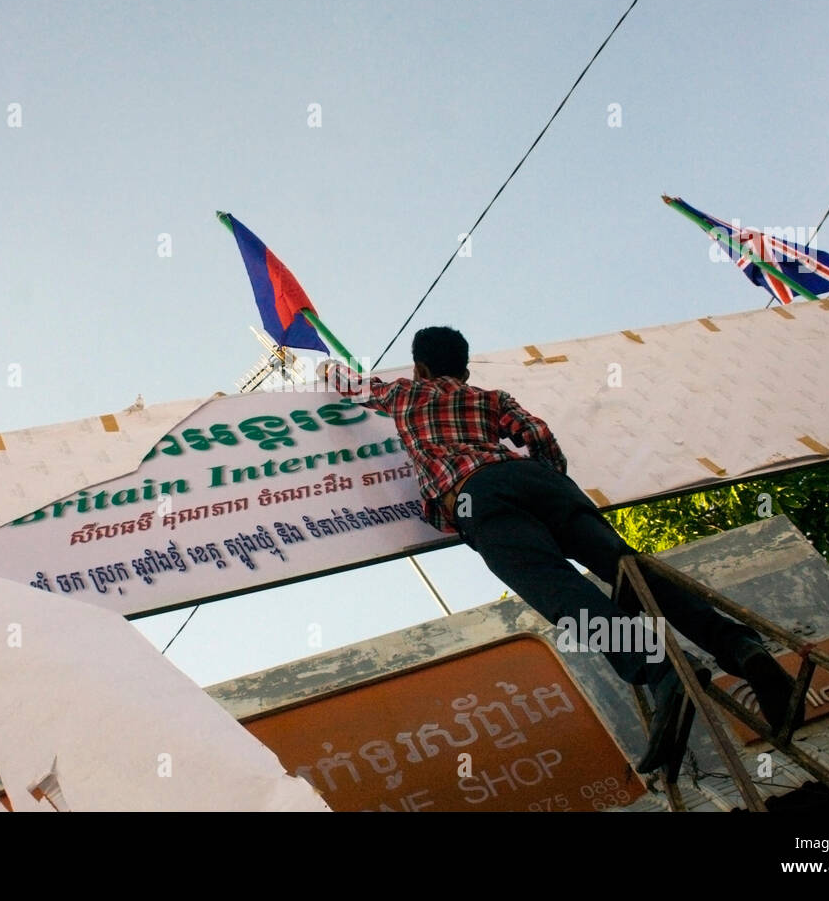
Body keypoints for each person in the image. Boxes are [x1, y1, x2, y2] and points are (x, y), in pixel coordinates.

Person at [319, 326, 797, 773]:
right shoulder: (490, 397)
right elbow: (539, 436)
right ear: (464, 371)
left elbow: (348, 383)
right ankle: (743, 649)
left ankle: (661, 669)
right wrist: (549, 481)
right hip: (545, 485)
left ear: (419, 368)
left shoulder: (406, 394)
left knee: (562, 593)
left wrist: (322, 370)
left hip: (477, 494)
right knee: (632, 571)